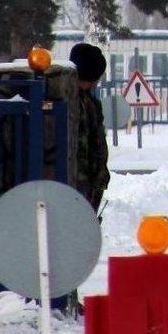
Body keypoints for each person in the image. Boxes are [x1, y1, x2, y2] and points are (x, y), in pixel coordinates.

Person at [69, 43, 110, 212]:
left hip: (88, 183)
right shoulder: (76, 102)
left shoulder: (87, 101)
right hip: (81, 184)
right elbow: (86, 146)